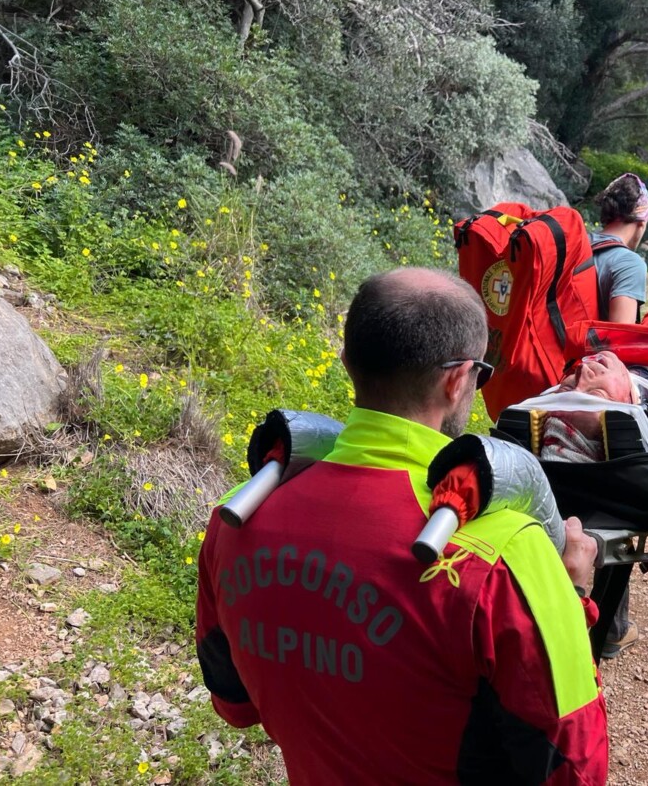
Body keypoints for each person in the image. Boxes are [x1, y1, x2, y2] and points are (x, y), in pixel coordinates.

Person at [196, 268, 608, 785]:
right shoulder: (503, 552)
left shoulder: (237, 518)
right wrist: (570, 589)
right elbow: (575, 770)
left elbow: (234, 703)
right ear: (459, 378)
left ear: (347, 364)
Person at [591, 173, 648, 323]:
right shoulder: (629, 264)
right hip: (580, 346)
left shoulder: (577, 242)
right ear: (641, 223)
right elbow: (619, 339)